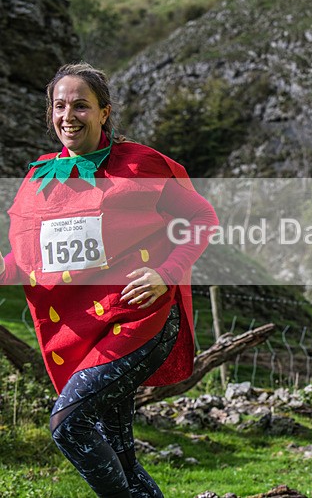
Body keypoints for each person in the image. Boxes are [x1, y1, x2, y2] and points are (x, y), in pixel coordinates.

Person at [0, 62, 217, 497]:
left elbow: (202, 217)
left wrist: (166, 273)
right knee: (120, 456)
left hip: (141, 319)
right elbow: (27, 263)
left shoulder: (139, 165)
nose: (68, 116)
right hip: (83, 329)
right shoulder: (38, 179)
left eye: (81, 106)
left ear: (104, 112)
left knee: (68, 422)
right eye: (59, 106)